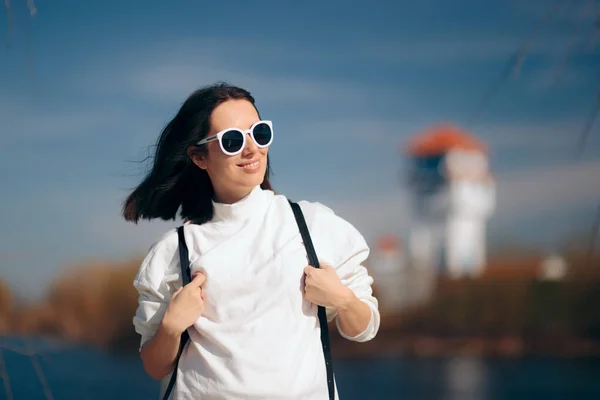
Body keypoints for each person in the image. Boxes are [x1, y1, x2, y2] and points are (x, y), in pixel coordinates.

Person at [124, 82, 380, 399]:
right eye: (232, 141)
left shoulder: (312, 225)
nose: (251, 149)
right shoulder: (174, 250)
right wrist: (171, 327)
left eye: (259, 133)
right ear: (199, 156)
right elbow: (155, 366)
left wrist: (342, 299)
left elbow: (365, 328)